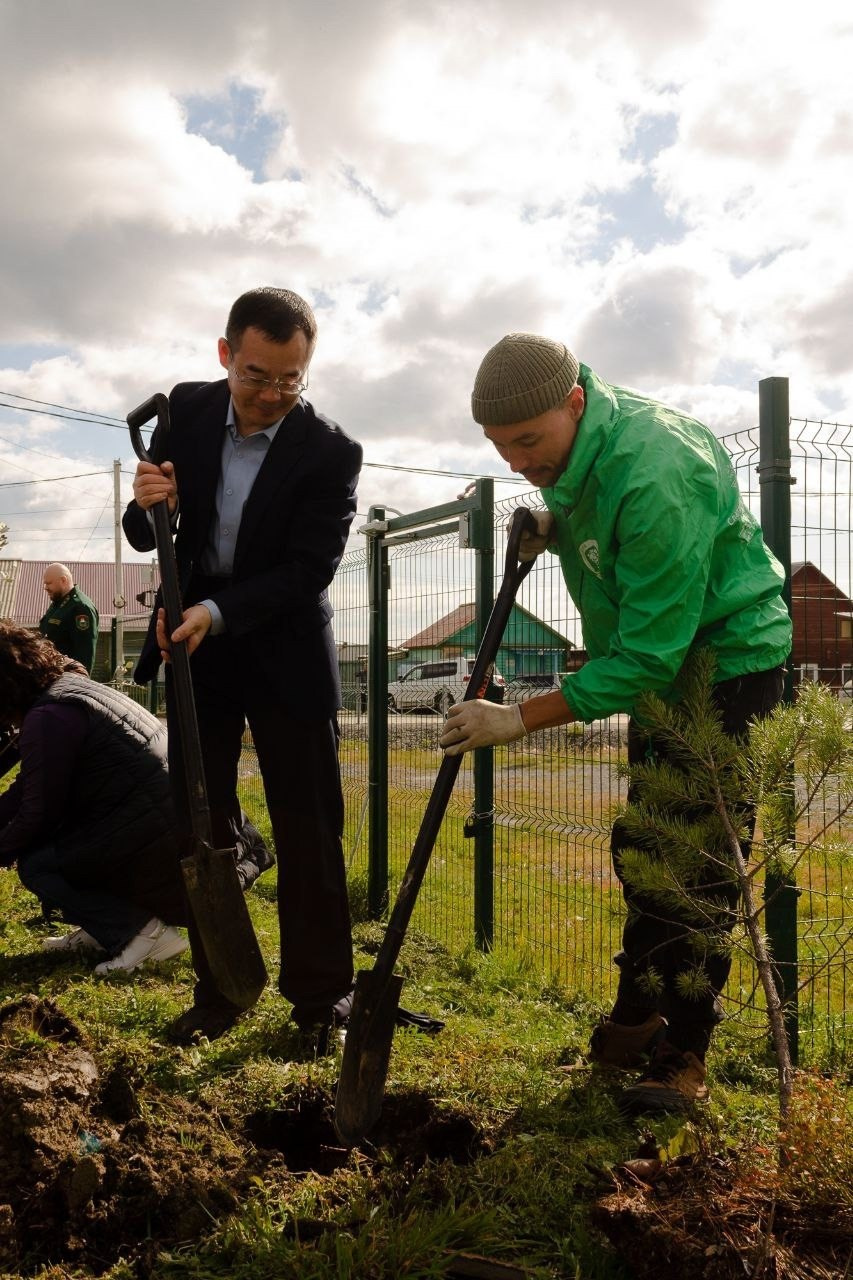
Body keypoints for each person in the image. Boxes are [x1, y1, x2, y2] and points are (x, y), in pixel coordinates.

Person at [441, 333, 792, 1114]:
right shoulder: (574, 453)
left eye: (527, 441)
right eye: (501, 447)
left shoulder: (653, 469)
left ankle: (683, 1050)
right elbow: (629, 601)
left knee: (698, 866)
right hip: (664, 664)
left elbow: (647, 657)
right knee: (642, 850)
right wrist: (552, 524)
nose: (516, 461)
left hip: (725, 664)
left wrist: (518, 719)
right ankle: (637, 1013)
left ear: (574, 403)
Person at [122, 286, 362, 1048]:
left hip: (285, 644)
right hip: (197, 648)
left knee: (308, 823)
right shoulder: (187, 409)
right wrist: (145, 500)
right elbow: (149, 527)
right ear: (227, 355)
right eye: (257, 375)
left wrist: (219, 612)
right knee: (198, 822)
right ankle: (221, 988)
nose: (271, 395)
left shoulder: (329, 451)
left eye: (291, 379)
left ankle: (321, 997)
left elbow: (308, 568)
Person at [0, 622, 188, 974]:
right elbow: (31, 785)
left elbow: (37, 815)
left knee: (39, 863)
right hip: (165, 822)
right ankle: (105, 928)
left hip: (160, 837)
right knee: (62, 844)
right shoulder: (66, 691)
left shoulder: (48, 717)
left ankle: (143, 935)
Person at [39, 563, 100, 675]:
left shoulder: (81, 607)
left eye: (49, 583)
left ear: (63, 580)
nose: (46, 588)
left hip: (66, 680)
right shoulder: (58, 603)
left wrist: (78, 684)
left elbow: (84, 655)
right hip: (52, 676)